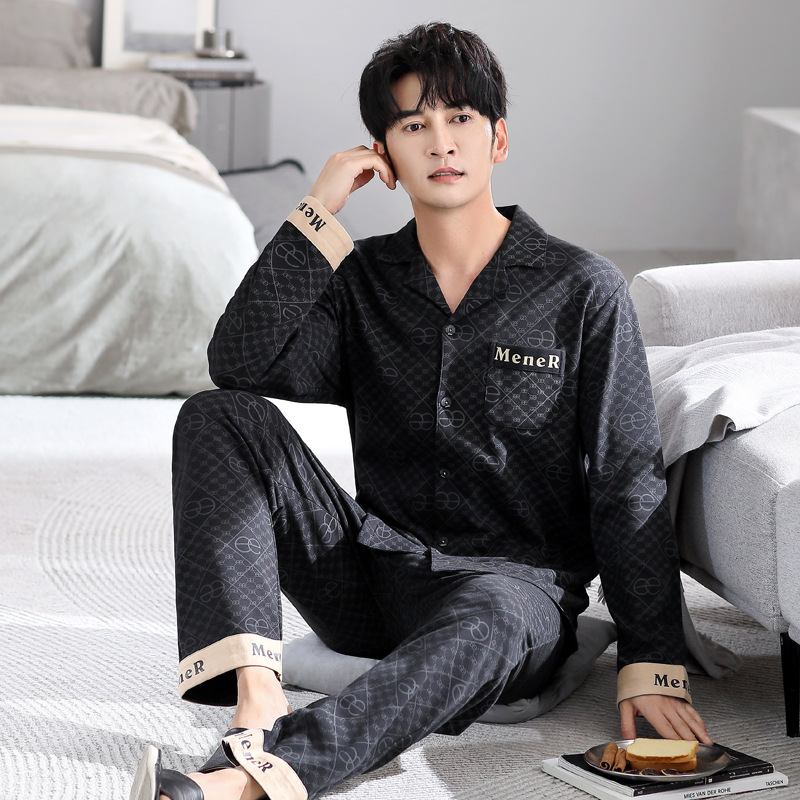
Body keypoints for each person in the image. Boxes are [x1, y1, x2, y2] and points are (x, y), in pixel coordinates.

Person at [130, 21, 711, 800]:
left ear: (498, 140)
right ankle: (257, 699)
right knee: (217, 415)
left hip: (511, 594)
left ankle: (250, 781)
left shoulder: (581, 288)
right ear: (386, 158)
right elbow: (240, 362)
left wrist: (652, 658)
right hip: (371, 579)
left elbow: (625, 476)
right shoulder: (363, 282)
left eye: (460, 117)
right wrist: (319, 207)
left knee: (492, 614)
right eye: (413, 125)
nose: (441, 141)